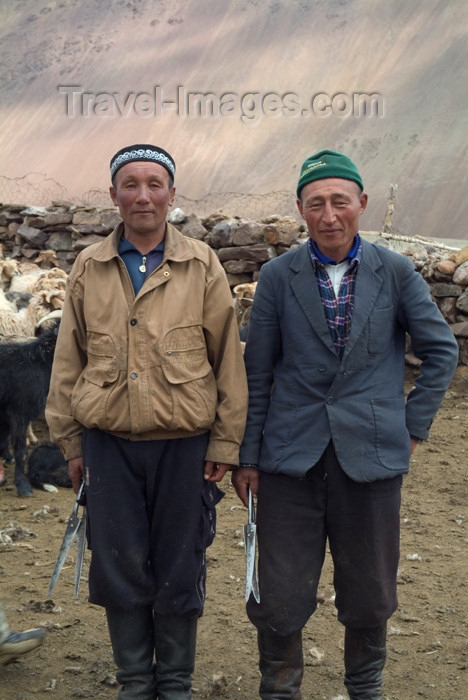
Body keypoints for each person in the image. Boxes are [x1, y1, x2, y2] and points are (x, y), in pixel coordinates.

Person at [232, 149, 459, 699]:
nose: (329, 214)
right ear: (300, 211)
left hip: (372, 454)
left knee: (369, 587)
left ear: (361, 203)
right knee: (279, 591)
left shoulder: (394, 271)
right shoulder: (279, 277)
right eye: (316, 204)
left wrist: (412, 424)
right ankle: (279, 690)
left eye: (340, 201)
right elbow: (257, 372)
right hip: (289, 457)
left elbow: (441, 350)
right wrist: (248, 455)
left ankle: (366, 690)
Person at [45, 144, 248, 700]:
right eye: (129, 184)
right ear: (113, 196)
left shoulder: (201, 263)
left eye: (154, 184)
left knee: (182, 562)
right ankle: (136, 683)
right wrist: (70, 442)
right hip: (107, 444)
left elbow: (228, 358)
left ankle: (175, 684)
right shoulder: (90, 265)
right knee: (118, 562)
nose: (142, 195)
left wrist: (226, 443)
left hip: (186, 445)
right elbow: (70, 358)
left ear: (172, 195)